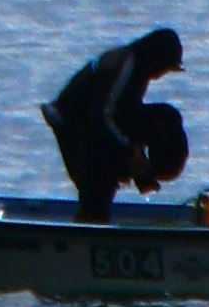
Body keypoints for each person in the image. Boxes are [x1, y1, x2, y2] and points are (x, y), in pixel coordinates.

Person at [41, 23, 189, 221]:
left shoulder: (139, 70)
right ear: (156, 59)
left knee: (166, 118)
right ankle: (90, 225)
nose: (162, 74)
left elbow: (124, 114)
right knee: (98, 190)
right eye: (165, 68)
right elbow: (100, 116)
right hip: (76, 125)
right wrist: (129, 153)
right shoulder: (126, 65)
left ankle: (147, 171)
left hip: (97, 123)